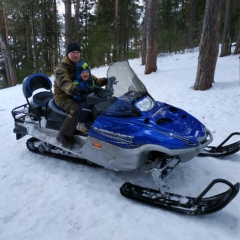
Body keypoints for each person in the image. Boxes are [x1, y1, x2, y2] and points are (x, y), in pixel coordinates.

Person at [54, 43, 107, 149]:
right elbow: (64, 83)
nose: (76, 55)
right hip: (64, 97)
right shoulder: (61, 68)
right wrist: (76, 90)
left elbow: (91, 78)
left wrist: (106, 81)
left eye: (78, 52)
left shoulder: (80, 65)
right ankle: (63, 135)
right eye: (73, 52)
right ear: (68, 53)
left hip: (79, 94)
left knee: (96, 103)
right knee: (77, 109)